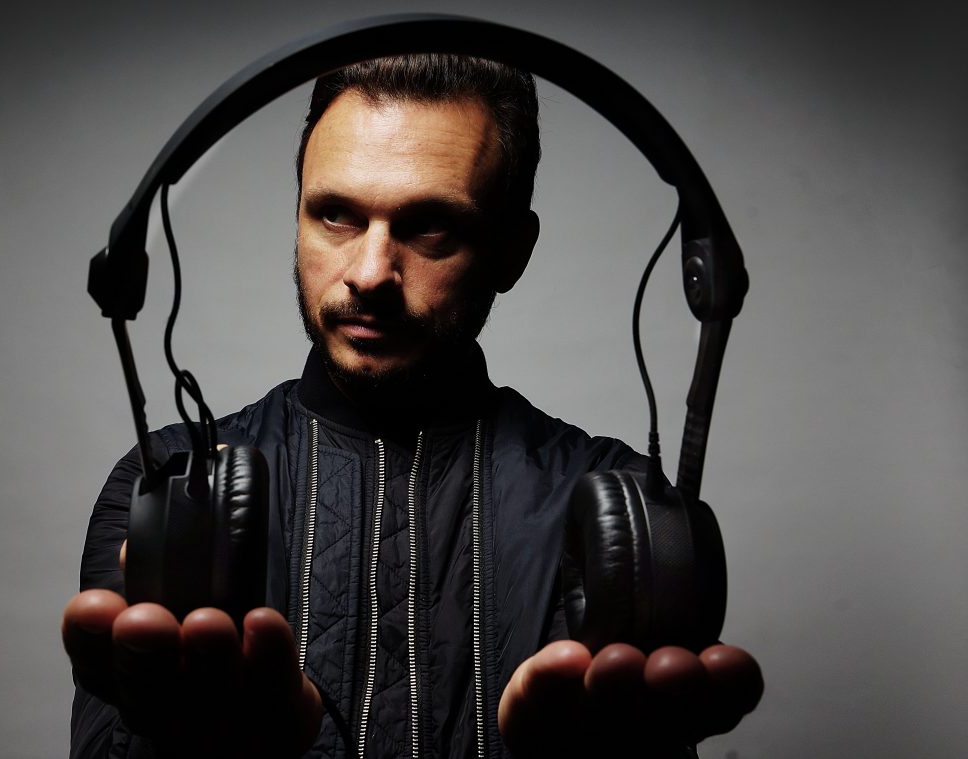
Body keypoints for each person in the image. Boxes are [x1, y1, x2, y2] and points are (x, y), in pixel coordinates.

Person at [62, 55, 763, 758]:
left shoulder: (617, 515)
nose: (370, 274)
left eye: (429, 227)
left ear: (512, 252)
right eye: (335, 214)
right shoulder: (173, 489)